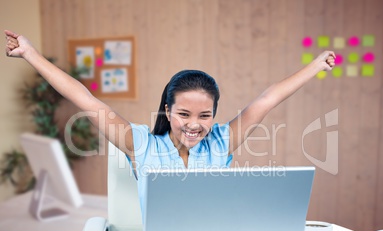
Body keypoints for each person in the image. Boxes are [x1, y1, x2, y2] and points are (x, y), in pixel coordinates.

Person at [4, 29, 335, 212]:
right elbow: (85, 99)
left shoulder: (222, 142)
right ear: (167, 111)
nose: (194, 124)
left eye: (205, 115)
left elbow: (267, 99)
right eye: (184, 114)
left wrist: (316, 66)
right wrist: (31, 54)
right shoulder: (141, 144)